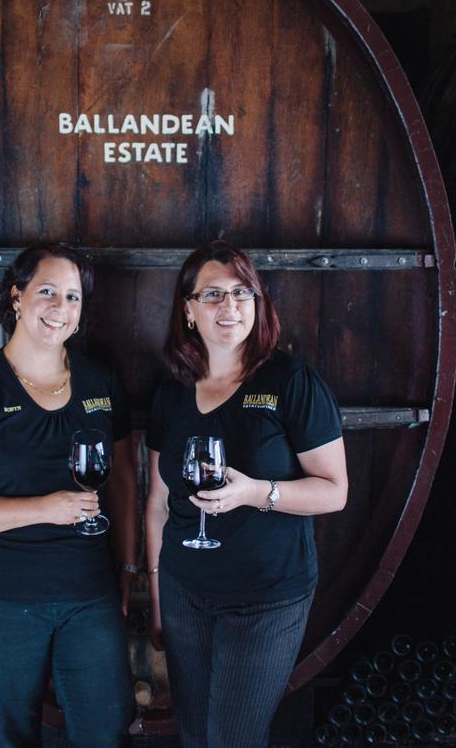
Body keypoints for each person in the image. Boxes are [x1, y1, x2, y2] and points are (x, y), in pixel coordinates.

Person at [0, 242, 137, 748]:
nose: (61, 308)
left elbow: (126, 479)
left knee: (108, 732)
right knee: (10, 736)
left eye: (72, 297)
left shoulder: (100, 381)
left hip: (87, 591)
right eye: (48, 291)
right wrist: (46, 508)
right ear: (18, 297)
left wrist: (129, 568)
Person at [145, 240, 348, 748]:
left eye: (242, 292)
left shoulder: (292, 381)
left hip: (266, 596)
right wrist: (155, 593)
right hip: (184, 592)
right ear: (188, 309)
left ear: (258, 304)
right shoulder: (170, 394)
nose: (229, 306)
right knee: (193, 735)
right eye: (212, 294)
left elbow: (334, 492)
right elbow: (156, 503)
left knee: (232, 738)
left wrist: (256, 492)